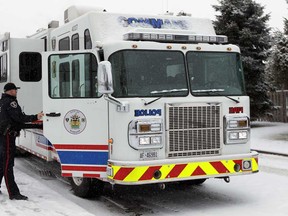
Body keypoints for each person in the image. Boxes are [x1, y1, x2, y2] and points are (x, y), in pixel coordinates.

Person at [0, 83, 44, 200]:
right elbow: (19, 118)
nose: (16, 91)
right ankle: (13, 193)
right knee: (7, 165)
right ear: (10, 91)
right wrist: (35, 117)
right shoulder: (11, 102)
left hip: (3, 136)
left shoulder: (2, 102)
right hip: (8, 137)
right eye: (15, 90)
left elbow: (15, 120)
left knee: (2, 163)